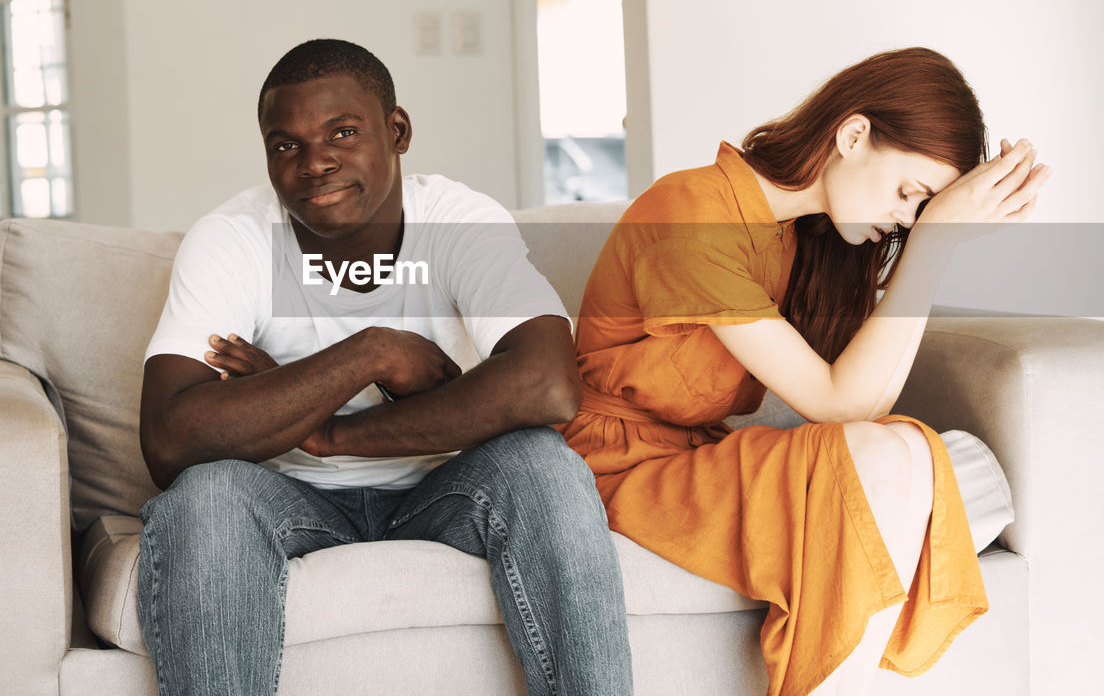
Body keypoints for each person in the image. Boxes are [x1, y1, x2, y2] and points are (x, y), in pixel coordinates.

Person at [136, 39, 632, 695]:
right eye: (285, 144)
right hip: (289, 498)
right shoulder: (234, 238)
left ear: (396, 131)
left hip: (445, 489)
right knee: (205, 496)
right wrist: (370, 352)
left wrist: (323, 429)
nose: (314, 164)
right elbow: (171, 438)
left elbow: (545, 382)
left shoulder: (457, 219)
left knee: (543, 463)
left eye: (342, 132)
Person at [557, 47, 1050, 696]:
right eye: (909, 194)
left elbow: (865, 405)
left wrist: (935, 239)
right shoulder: (690, 212)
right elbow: (839, 403)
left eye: (920, 211)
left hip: (693, 454)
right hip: (611, 470)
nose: (905, 218)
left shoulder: (802, 238)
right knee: (895, 461)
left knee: (922, 454)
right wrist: (935, 245)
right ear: (852, 135)